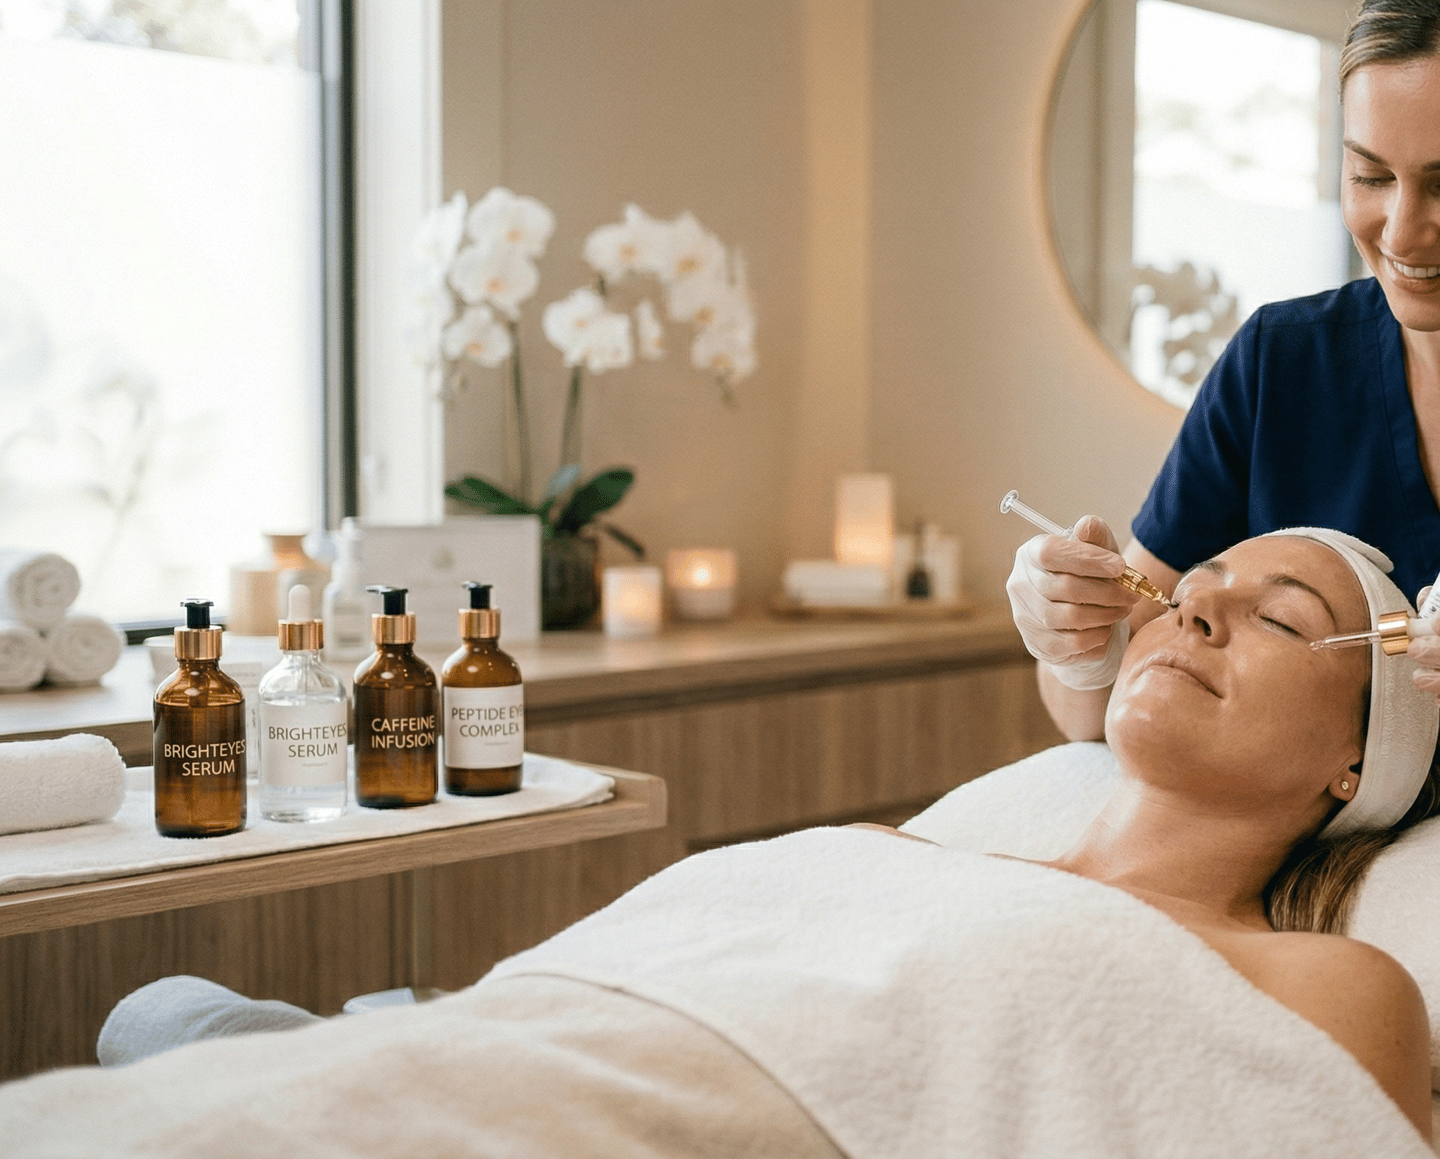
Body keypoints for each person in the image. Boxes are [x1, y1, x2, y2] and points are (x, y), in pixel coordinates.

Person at [0, 532, 1437, 1156]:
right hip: (549, 1040)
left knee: (180, 1047)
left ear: (1357, 760)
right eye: (1195, 585)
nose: (1198, 607)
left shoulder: (1320, 979)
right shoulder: (907, 855)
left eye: (1282, 616)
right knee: (164, 1016)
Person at [1010, 0, 1440, 741]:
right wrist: (1079, 646)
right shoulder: (1283, 365)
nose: (1401, 231)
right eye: (1370, 174)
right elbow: (1089, 716)